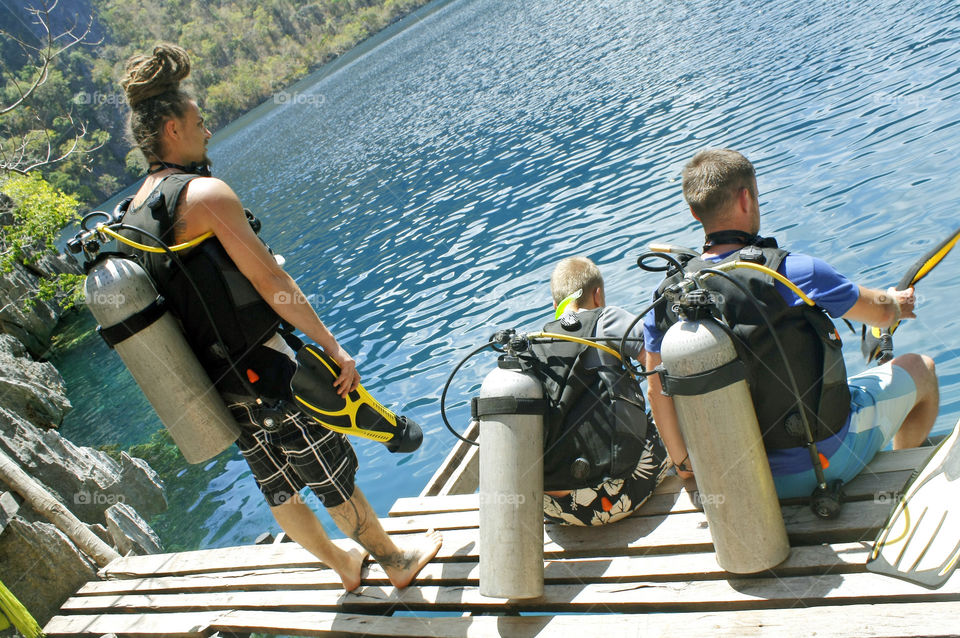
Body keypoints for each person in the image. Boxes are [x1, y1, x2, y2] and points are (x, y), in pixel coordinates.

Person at [117, 44, 441, 591]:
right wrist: (333, 347)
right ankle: (396, 562)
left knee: (277, 486)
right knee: (330, 475)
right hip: (267, 370)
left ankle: (344, 568)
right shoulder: (205, 193)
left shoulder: (133, 212)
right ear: (172, 128)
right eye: (199, 122)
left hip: (213, 383)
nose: (208, 133)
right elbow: (273, 283)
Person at [643, 148, 939, 498]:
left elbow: (656, 391)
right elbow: (882, 313)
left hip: (736, 481)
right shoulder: (791, 271)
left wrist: (686, 467)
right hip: (819, 467)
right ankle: (901, 477)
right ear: (746, 197)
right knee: (923, 369)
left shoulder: (668, 298)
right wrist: (896, 301)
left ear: (694, 212)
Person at [536, 257, 670, 526]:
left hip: (555, 509)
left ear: (555, 306)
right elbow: (662, 362)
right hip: (619, 495)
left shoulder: (538, 342)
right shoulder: (606, 318)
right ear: (597, 296)